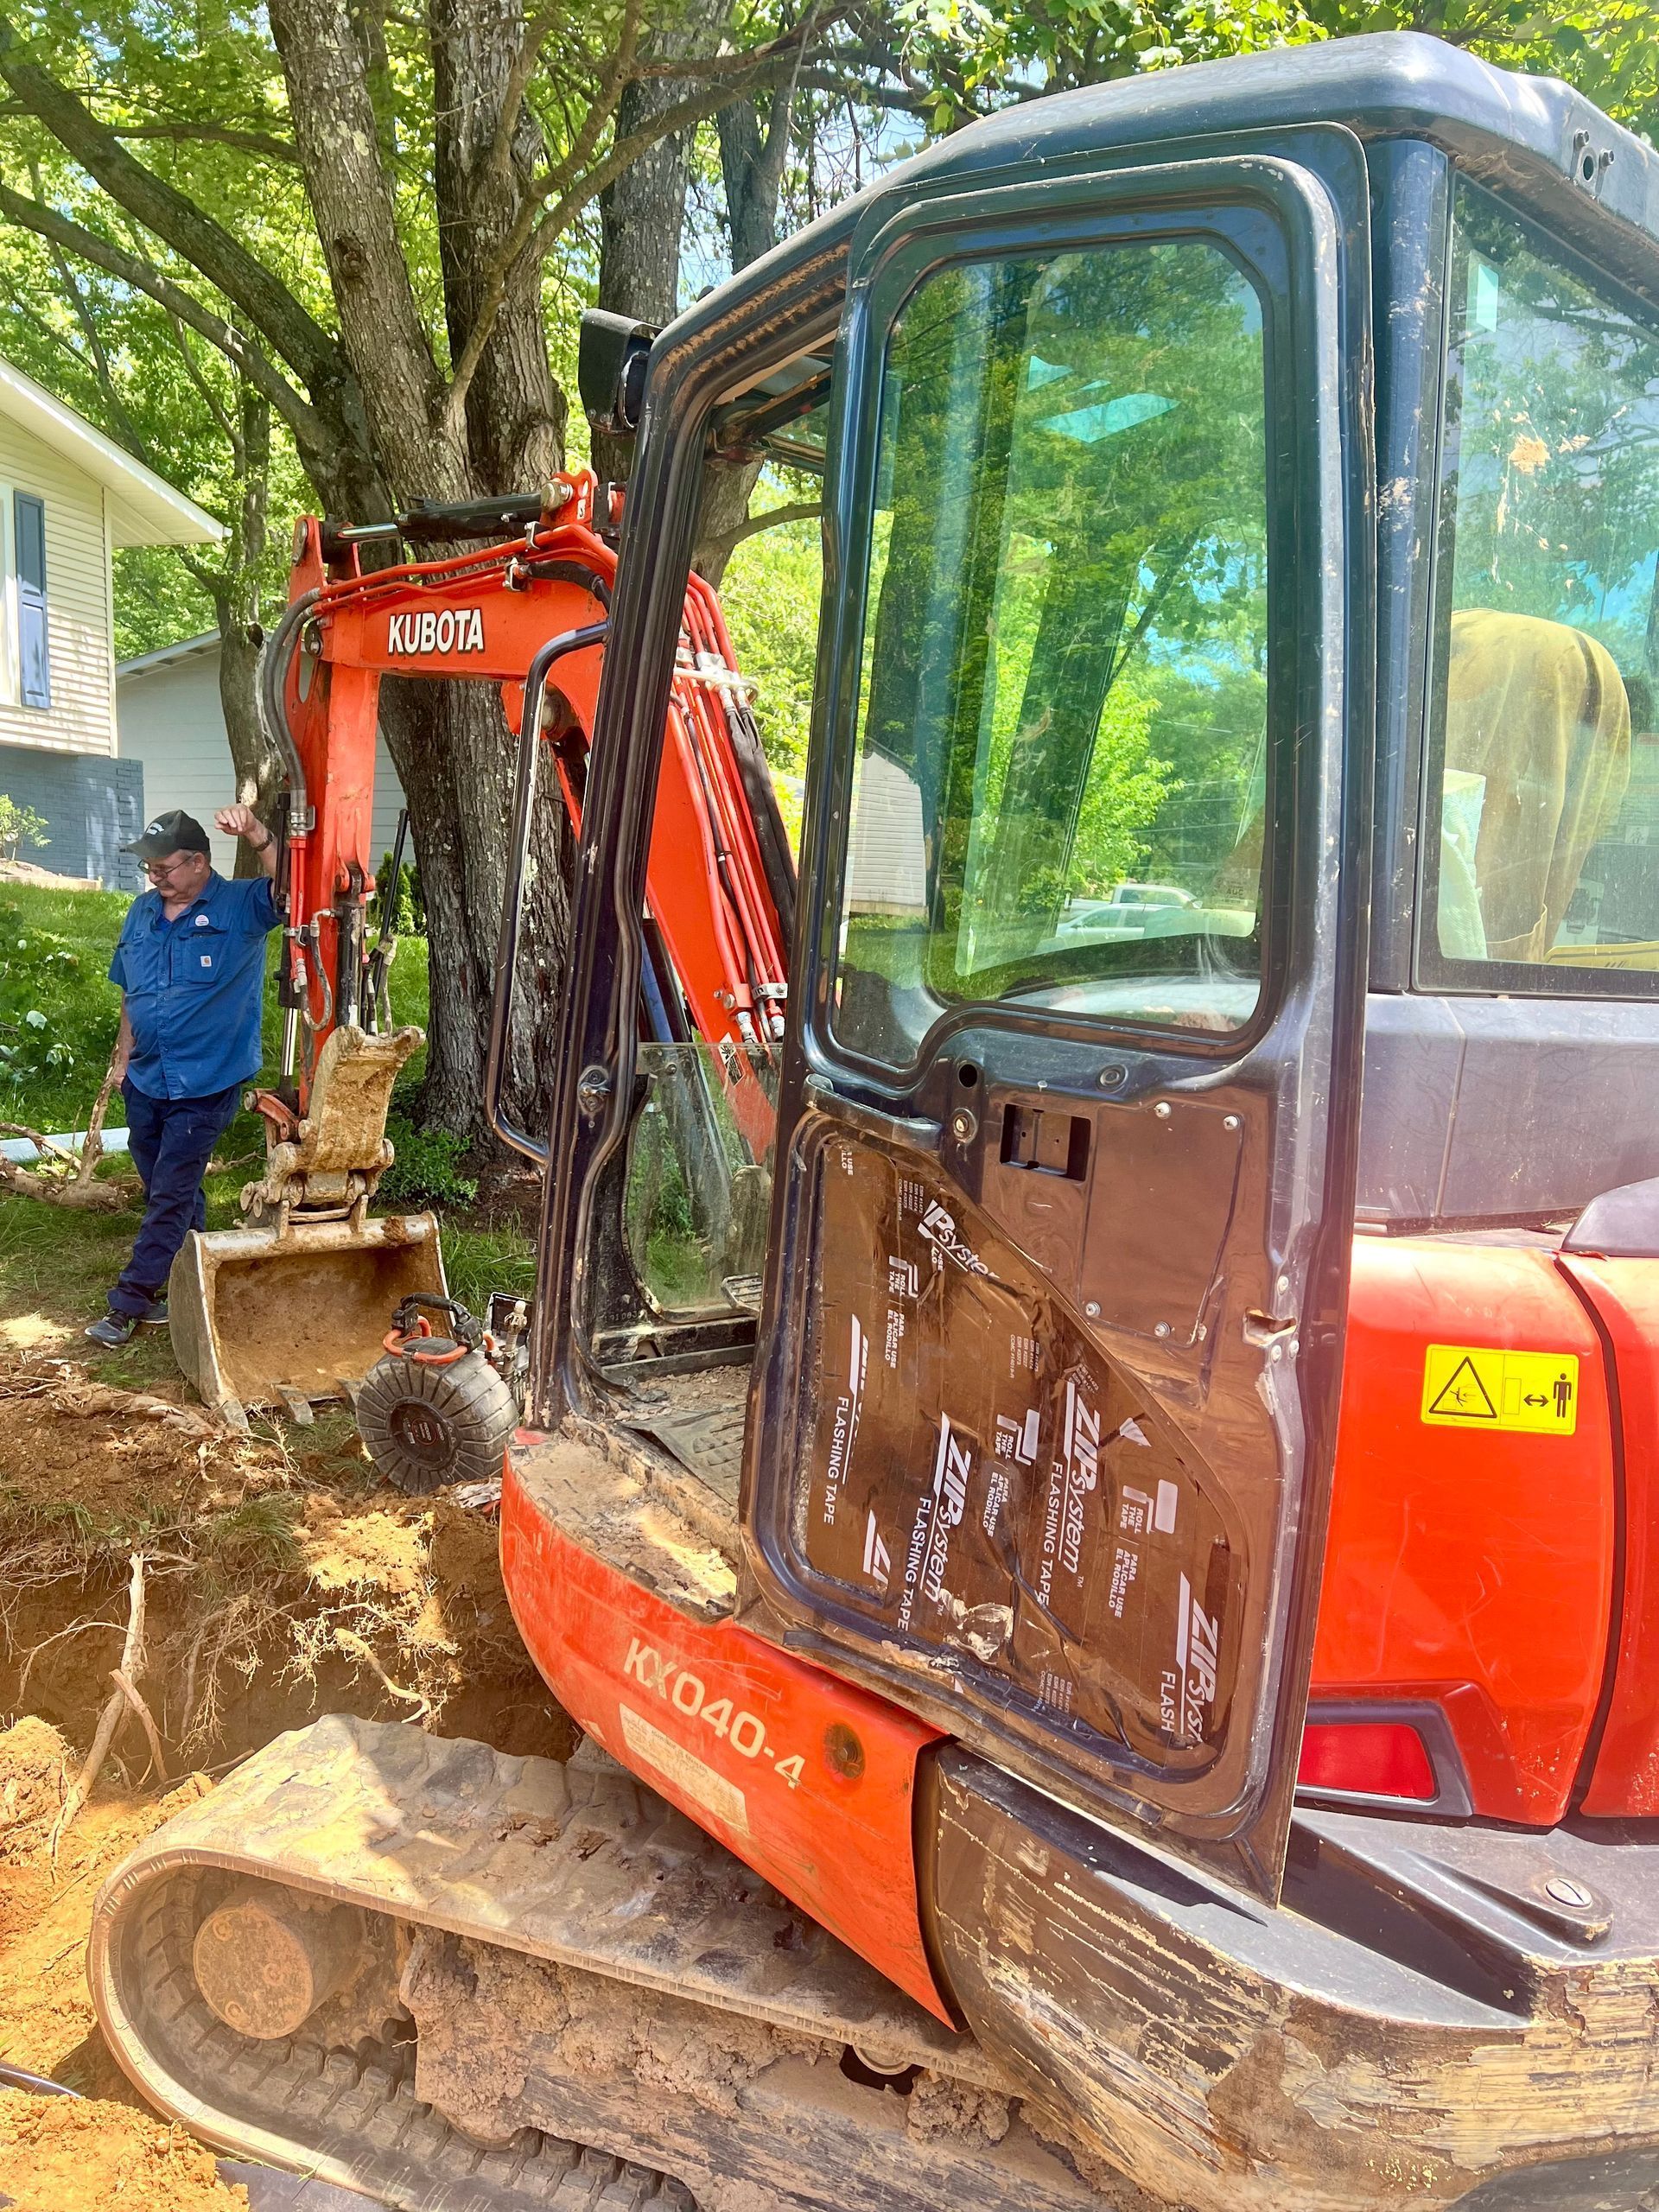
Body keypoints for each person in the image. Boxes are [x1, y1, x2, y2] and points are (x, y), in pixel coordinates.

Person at [85, 805, 282, 1348]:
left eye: (165, 868)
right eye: (149, 869)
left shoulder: (240, 905)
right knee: (169, 1189)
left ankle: (130, 1303)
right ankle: (193, 1278)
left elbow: (292, 891)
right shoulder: (142, 913)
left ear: (198, 862)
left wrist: (259, 835)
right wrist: (123, 1060)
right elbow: (132, 994)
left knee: (169, 1195)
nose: (155, 877)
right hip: (147, 1079)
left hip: (207, 1079)